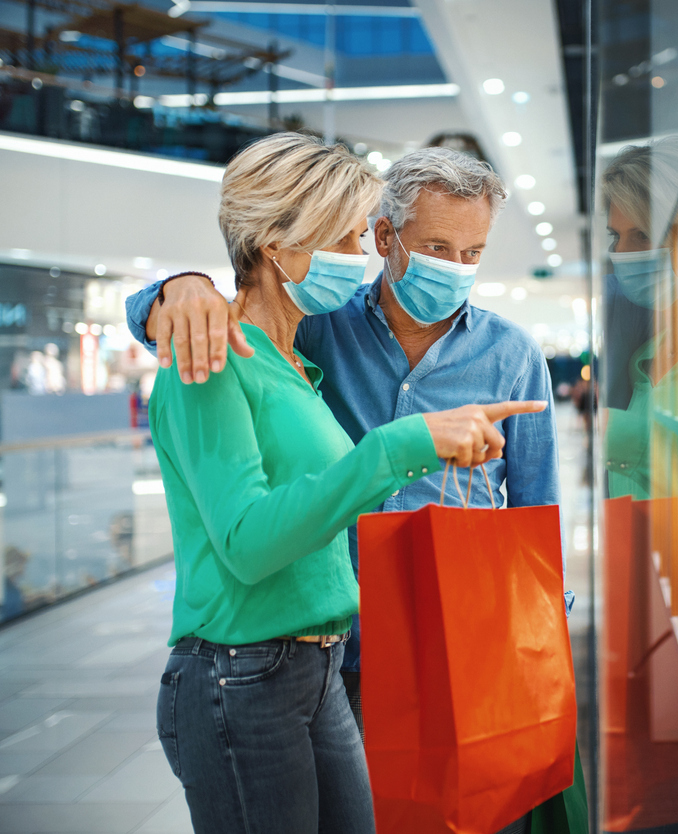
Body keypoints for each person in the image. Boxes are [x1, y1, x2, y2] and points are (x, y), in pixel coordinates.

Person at [129, 146, 581, 834]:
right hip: (343, 653)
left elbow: (534, 512)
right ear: (384, 238)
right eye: (436, 245)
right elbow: (225, 326)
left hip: (456, 647)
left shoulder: (510, 354)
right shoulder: (314, 329)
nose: (455, 267)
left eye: (472, 251)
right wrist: (177, 288)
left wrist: (536, 635)